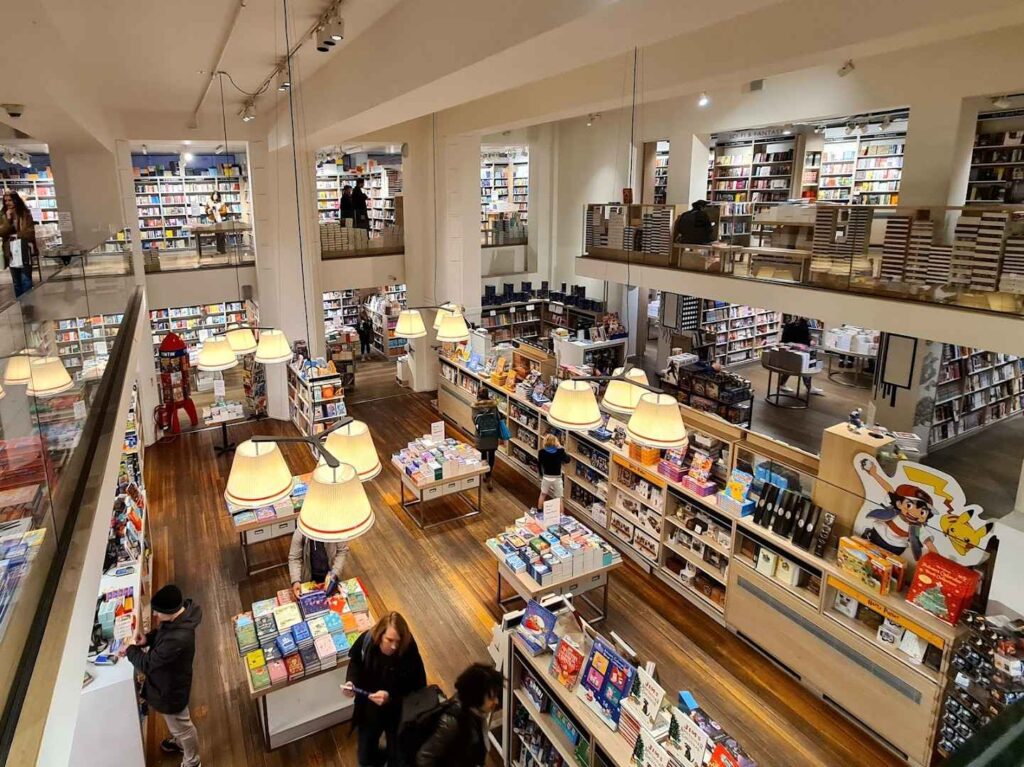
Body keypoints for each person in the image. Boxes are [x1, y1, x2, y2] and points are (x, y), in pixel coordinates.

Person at [120, 584, 203, 767]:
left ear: (170, 611)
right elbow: (162, 634)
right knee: (179, 725)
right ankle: (180, 742)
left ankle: (192, 761)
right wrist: (147, 639)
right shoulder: (180, 618)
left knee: (183, 727)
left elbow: (148, 664)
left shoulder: (178, 638)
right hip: (169, 683)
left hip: (171, 690)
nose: (156, 615)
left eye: (158, 612)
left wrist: (131, 650)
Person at [343, 611, 427, 767]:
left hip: (398, 712)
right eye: (389, 640)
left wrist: (391, 696)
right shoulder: (368, 640)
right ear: (380, 635)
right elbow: (355, 662)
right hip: (369, 708)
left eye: (398, 641)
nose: (394, 646)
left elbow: (418, 685)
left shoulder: (408, 651)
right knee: (366, 754)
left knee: (397, 754)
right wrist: (351, 682)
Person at [415, 663, 503, 767]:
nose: (496, 701)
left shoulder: (475, 713)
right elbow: (424, 758)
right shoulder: (452, 723)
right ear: (477, 696)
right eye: (491, 697)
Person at [288, 528, 348, 598]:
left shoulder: (336, 529)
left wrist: (334, 574)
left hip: (331, 574)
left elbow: (342, 551)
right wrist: (296, 581)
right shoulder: (300, 533)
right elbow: (294, 558)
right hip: (309, 578)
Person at [0, 191, 35, 297]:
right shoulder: (3, 215)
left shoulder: (25, 213)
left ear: (16, 200)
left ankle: (29, 304)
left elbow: (29, 232)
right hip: (10, 250)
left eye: (10, 200)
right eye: (5, 200)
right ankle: (20, 305)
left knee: (26, 279)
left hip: (23, 248)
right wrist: (8, 220)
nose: (7, 203)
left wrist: (17, 235)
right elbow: (2, 232)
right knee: (16, 281)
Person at [778, 316, 823, 396]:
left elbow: (786, 337)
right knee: (804, 367)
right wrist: (810, 342)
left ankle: (782, 384)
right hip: (798, 349)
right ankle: (809, 387)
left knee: (790, 367)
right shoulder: (801, 324)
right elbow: (801, 337)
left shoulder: (791, 322)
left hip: (789, 348)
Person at [473, 389, 503, 491]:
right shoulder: (494, 406)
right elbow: (498, 418)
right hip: (492, 435)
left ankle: (485, 473)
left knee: (483, 455)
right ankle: (489, 475)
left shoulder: (475, 406)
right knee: (491, 454)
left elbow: (474, 420)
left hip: (481, 436)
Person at [537, 434, 570, 508]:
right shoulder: (560, 451)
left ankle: (539, 510)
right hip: (557, 478)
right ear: (555, 442)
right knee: (559, 498)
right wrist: (560, 446)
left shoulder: (541, 452)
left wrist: (541, 475)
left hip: (546, 477)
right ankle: (561, 515)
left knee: (542, 494)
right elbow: (568, 460)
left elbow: (539, 464)